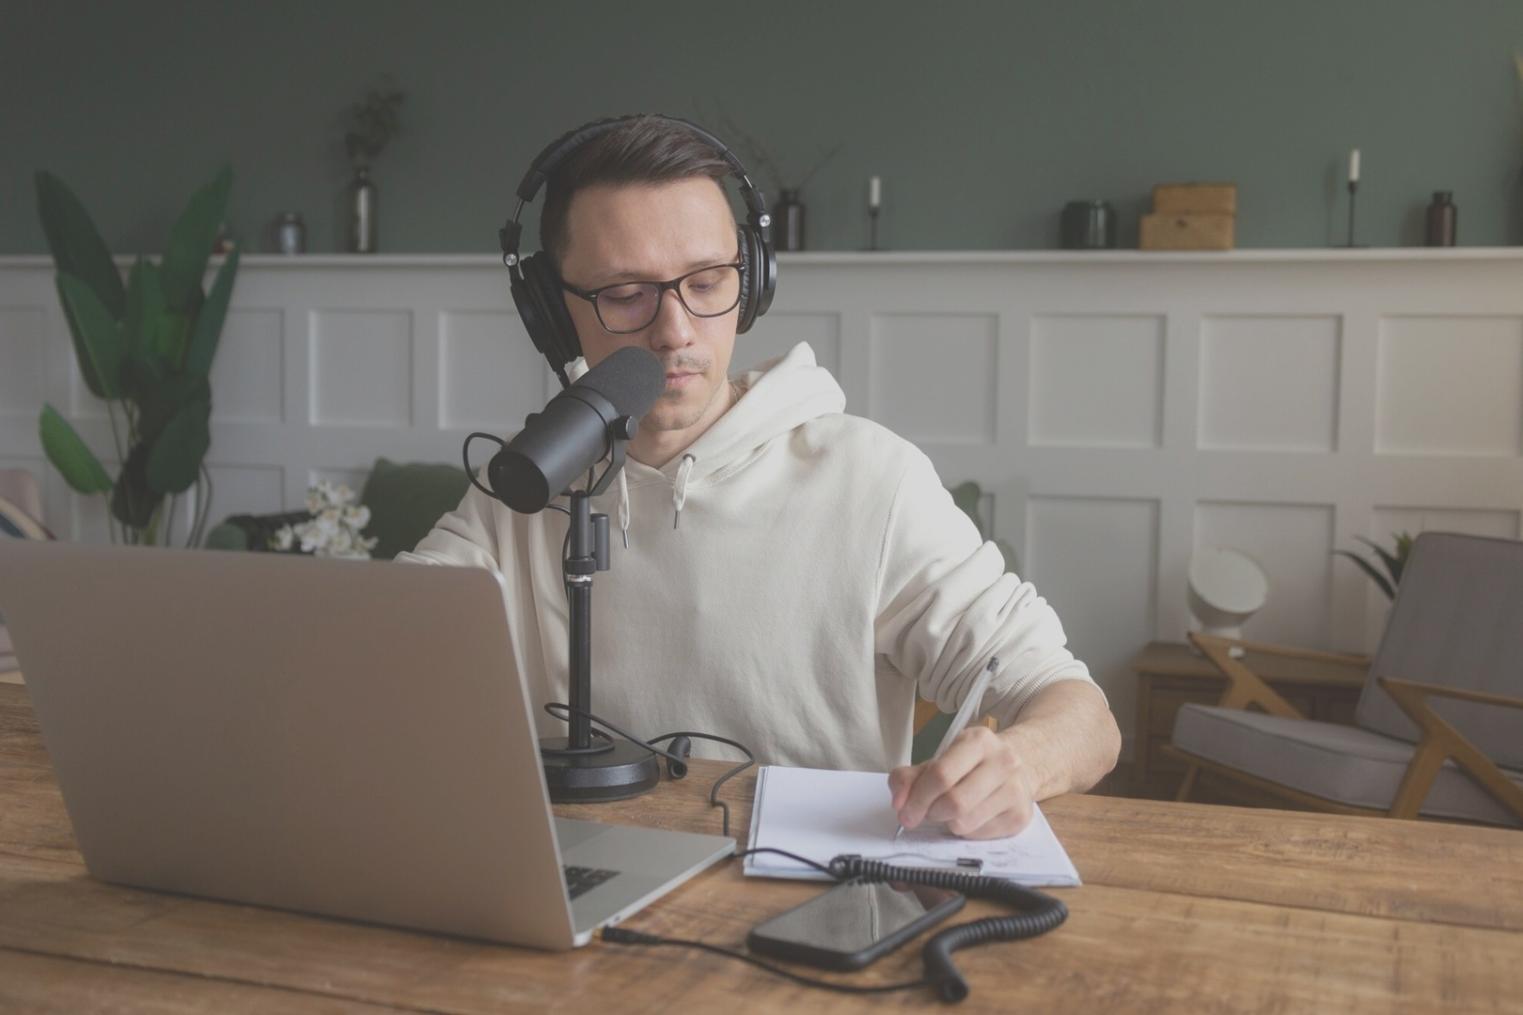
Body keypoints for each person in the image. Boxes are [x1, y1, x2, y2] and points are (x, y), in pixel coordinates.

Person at [400, 115, 1120, 839]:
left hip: (812, 907)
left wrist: (1019, 764)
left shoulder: (872, 478)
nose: (675, 331)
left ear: (752, 282)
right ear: (552, 312)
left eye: (707, 282)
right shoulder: (521, 490)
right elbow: (376, 650)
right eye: (625, 294)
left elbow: (1075, 710)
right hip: (573, 896)